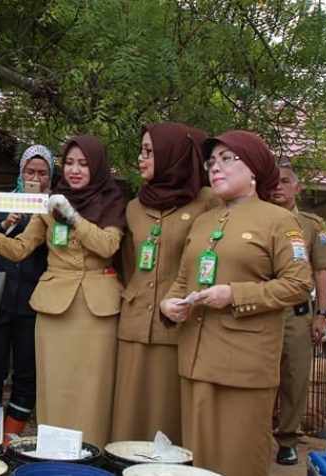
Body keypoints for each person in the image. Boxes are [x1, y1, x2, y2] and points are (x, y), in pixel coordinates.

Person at [160, 130, 312, 476]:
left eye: (228, 159)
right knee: (197, 458)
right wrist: (169, 305)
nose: (216, 168)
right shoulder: (203, 222)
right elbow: (183, 281)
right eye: (212, 162)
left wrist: (236, 294)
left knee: (240, 457)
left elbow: (298, 284)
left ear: (255, 169)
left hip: (244, 364)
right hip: (196, 360)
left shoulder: (279, 220)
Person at [0, 135, 126, 446]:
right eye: (69, 163)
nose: (75, 170)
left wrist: (73, 217)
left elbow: (108, 246)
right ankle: (54, 453)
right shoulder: (48, 204)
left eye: (83, 164)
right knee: (53, 385)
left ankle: (91, 452)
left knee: (91, 386)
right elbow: (19, 249)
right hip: (55, 307)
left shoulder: (111, 201)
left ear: (96, 166)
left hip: (96, 308)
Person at [112, 122, 217, 443]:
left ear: (175, 155)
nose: (140, 158)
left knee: (168, 419)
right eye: (140, 150)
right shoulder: (134, 206)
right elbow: (129, 265)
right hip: (133, 326)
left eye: (149, 151)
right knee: (129, 416)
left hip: (177, 326)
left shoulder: (207, 202)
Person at [0, 144, 53, 440]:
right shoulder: (0, 202)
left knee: (27, 374)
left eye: (42, 173)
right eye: (30, 171)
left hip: (34, 303)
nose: (36, 177)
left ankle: (10, 439)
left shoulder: (55, 208)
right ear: (20, 173)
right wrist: (6, 224)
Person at [269, 159, 326, 465]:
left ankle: (286, 438)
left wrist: (321, 314)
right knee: (256, 374)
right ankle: (255, 434)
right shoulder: (257, 219)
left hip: (296, 314)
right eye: (273, 181)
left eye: (285, 181)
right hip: (259, 311)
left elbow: (322, 271)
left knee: (295, 378)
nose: (278, 187)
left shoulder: (312, 225)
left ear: (297, 187)